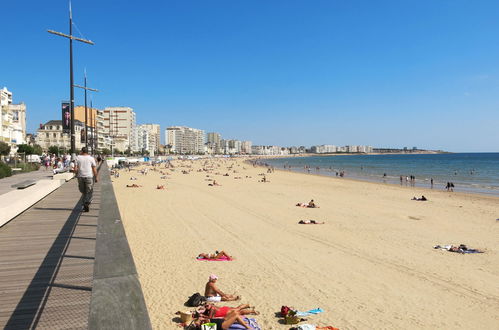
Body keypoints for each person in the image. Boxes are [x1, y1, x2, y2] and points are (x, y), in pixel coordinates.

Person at [74, 147, 98, 212]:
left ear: (82, 151)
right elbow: (94, 169)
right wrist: (96, 177)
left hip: (80, 177)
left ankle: (84, 204)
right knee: (89, 190)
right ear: (88, 152)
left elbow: (75, 169)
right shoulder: (91, 158)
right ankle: (87, 202)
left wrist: (76, 174)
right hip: (89, 176)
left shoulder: (77, 158)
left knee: (83, 191)